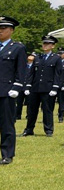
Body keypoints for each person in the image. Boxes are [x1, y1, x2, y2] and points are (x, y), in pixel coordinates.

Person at [21, 35, 63, 138]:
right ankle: (29, 129)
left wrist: (55, 87)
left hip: (48, 88)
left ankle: (48, 130)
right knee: (31, 110)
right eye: (44, 43)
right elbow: (31, 73)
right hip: (35, 88)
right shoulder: (37, 57)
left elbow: (58, 74)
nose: (45, 45)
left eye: (48, 43)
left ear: (53, 46)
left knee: (47, 110)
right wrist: (27, 86)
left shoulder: (56, 58)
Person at [0, 16, 27, 165]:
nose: (0, 31)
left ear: (11, 30)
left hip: (6, 91)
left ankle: (7, 154)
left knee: (6, 124)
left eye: (3, 28)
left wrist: (17, 86)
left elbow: (21, 70)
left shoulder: (17, 48)